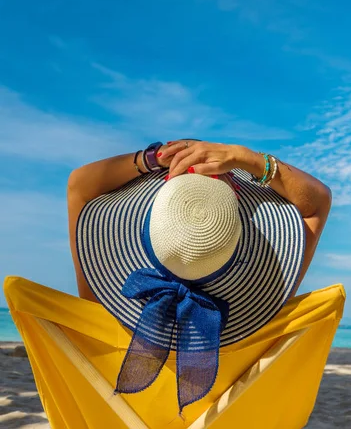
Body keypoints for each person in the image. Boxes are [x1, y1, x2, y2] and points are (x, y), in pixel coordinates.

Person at [68, 138, 332, 413]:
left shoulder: (102, 307)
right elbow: (317, 201)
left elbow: (79, 187)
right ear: (235, 212)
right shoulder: (264, 311)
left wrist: (151, 159)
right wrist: (246, 158)